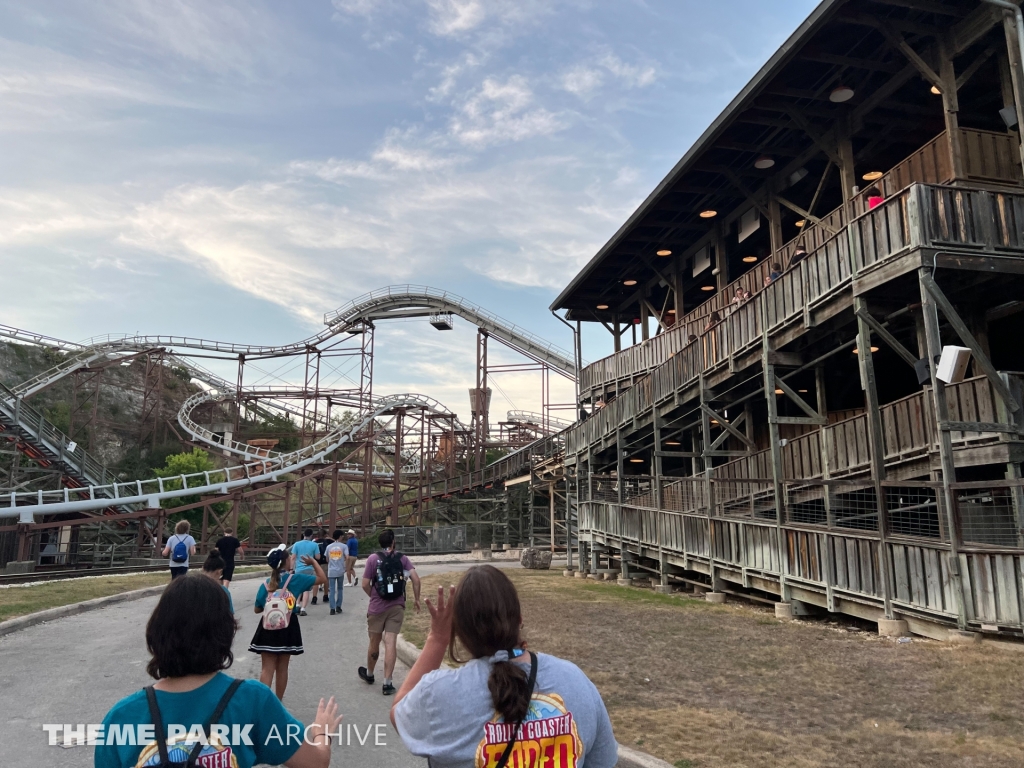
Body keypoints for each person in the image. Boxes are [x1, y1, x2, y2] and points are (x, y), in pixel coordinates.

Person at [95, 575, 341, 768]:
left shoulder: (121, 716)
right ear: (225, 632)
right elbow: (316, 762)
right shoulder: (252, 700)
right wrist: (322, 731)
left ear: (156, 631)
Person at [391, 565, 618, 768]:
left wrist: (438, 639)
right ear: (519, 619)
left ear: (460, 631)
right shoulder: (576, 681)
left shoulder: (439, 694)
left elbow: (398, 713)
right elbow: (603, 760)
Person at [250, 544, 326, 700]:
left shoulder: (266, 584)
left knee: (266, 669)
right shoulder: (296, 579)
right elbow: (322, 579)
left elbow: (257, 609)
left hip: (268, 628)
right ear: (286, 561)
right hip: (288, 626)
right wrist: (313, 562)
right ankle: (278, 703)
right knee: (282, 668)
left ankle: (263, 704)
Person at [359, 529, 421, 696]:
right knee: (390, 642)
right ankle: (387, 683)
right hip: (397, 607)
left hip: (377, 608)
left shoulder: (373, 559)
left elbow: (364, 584)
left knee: (374, 641)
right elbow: (416, 579)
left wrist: (374, 596)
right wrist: (416, 599)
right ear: (393, 542)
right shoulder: (402, 558)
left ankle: (370, 674)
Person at [291, 529, 320, 615]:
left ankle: (297, 605)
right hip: (309, 568)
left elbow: (293, 557)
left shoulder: (296, 544)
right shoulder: (314, 545)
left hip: (298, 569)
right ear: (311, 535)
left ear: (303, 534)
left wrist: (291, 569)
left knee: (299, 588)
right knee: (306, 589)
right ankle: (303, 609)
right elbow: (318, 557)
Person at [202, 549, 235, 614]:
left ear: (202, 568)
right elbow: (230, 613)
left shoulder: (191, 586)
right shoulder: (223, 591)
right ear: (220, 571)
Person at [324, 529, 347, 615]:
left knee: (332, 590)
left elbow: (327, 559)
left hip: (331, 570)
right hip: (340, 570)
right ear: (340, 536)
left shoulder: (329, 547)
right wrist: (345, 565)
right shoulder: (344, 546)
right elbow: (347, 557)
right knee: (340, 588)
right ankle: (338, 606)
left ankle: (332, 608)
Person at [311, 528, 331, 605]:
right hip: (325, 563)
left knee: (316, 581)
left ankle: (314, 598)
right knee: (325, 579)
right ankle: (325, 596)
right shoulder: (328, 542)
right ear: (325, 535)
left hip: (316, 563)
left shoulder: (314, 543)